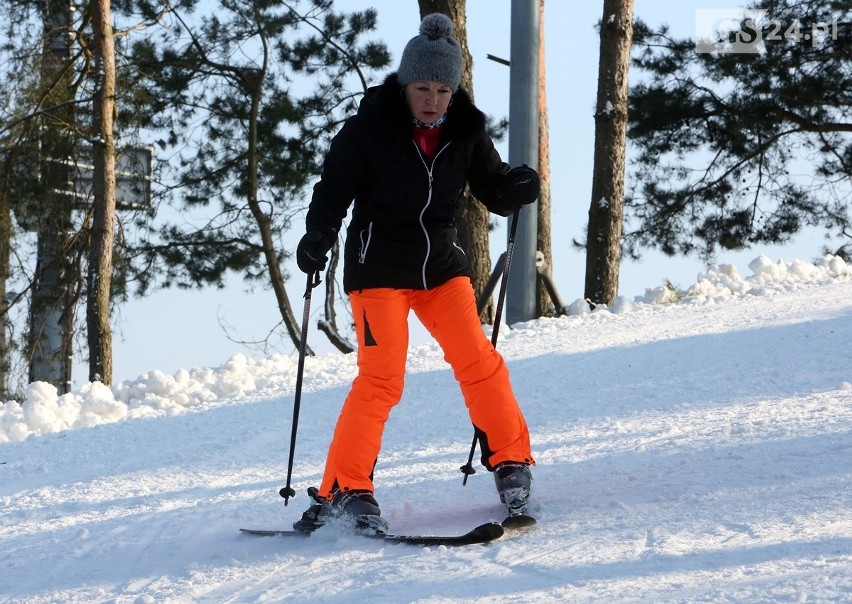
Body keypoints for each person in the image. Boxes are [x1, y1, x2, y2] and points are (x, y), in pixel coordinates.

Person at [293, 13, 538, 534]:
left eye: (442, 89)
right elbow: (332, 192)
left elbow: (493, 188)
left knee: (479, 361)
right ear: (405, 85)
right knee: (382, 380)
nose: (432, 99)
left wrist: (515, 187)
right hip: (377, 267)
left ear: (454, 91)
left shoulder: (465, 133)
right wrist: (317, 238)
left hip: (440, 267)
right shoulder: (367, 131)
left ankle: (511, 460)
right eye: (422, 87)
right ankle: (346, 488)